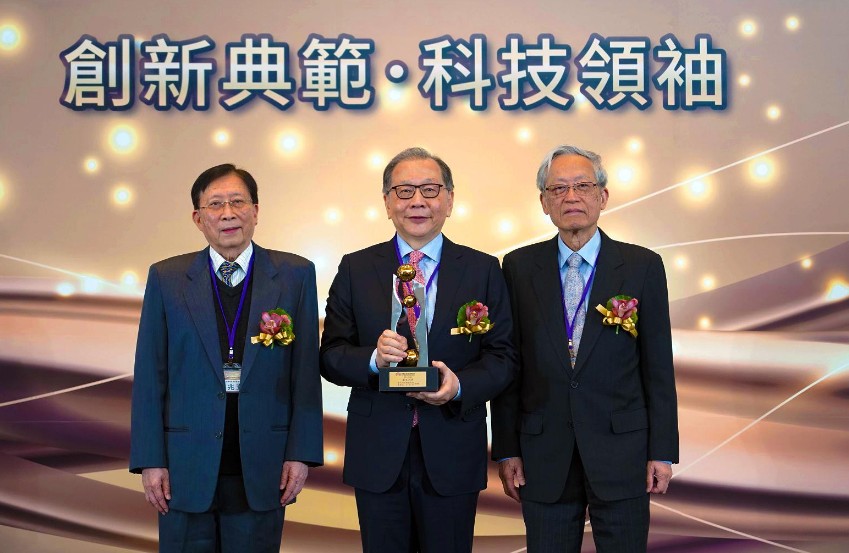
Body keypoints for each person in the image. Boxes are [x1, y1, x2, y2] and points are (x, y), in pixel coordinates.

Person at [320, 147, 517, 552]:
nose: (417, 201)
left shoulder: (482, 269)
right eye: (404, 190)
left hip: (452, 446)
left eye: (430, 189)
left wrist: (459, 386)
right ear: (387, 202)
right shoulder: (356, 268)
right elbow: (331, 354)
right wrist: (373, 359)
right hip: (378, 451)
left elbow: (504, 356)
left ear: (450, 199)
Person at [491, 145, 679, 552]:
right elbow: (509, 365)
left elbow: (658, 367)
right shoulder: (518, 267)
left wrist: (662, 451)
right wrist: (506, 449)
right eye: (558, 189)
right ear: (544, 202)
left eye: (583, 186)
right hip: (543, 453)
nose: (571, 197)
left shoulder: (642, 266)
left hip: (623, 452)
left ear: (603, 196)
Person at [129, 164, 323, 552]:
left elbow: (304, 372)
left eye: (238, 202)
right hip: (184, 466)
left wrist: (301, 454)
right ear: (198, 218)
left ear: (256, 210)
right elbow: (150, 376)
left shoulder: (294, 275)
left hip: (264, 465)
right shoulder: (167, 278)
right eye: (216, 204)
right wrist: (150, 460)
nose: (228, 213)